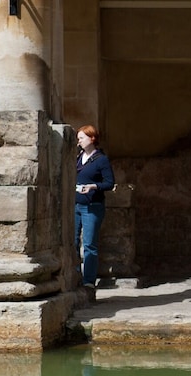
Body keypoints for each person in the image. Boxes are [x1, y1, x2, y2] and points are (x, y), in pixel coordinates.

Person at [75, 124, 115, 299]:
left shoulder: (101, 160)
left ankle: (89, 282)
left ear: (91, 139)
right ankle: (75, 277)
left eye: (81, 138)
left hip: (93, 206)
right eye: (78, 138)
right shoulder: (78, 157)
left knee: (89, 244)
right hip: (76, 205)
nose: (79, 141)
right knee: (73, 242)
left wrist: (93, 186)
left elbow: (109, 183)